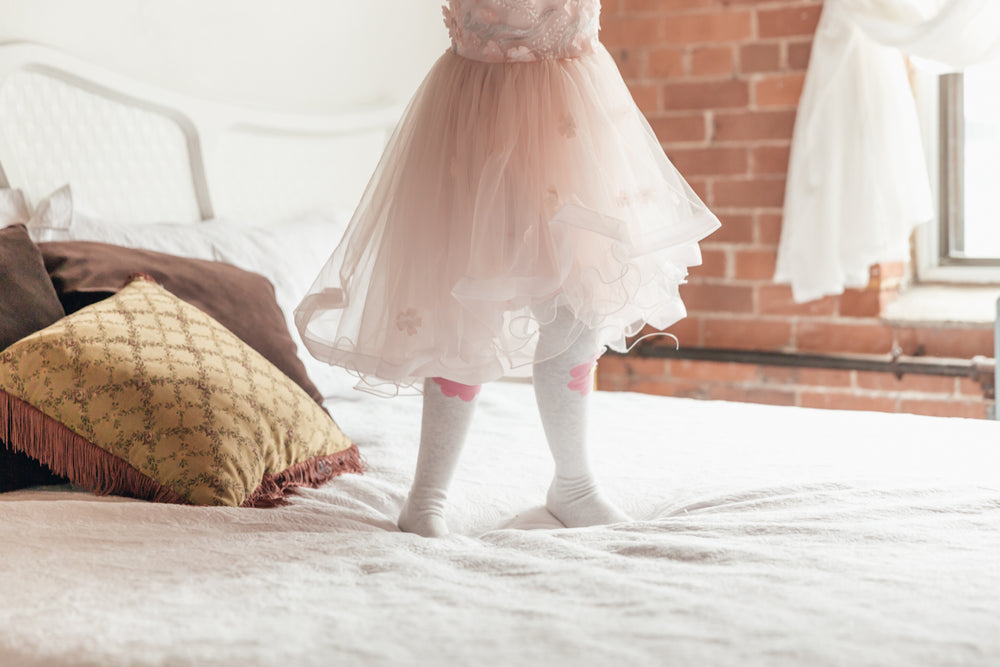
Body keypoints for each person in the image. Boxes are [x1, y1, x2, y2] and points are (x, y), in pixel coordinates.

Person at [295, 0, 720, 537]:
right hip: (476, 114)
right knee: (461, 307)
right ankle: (427, 494)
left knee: (575, 307)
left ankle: (574, 483)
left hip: (571, 123)